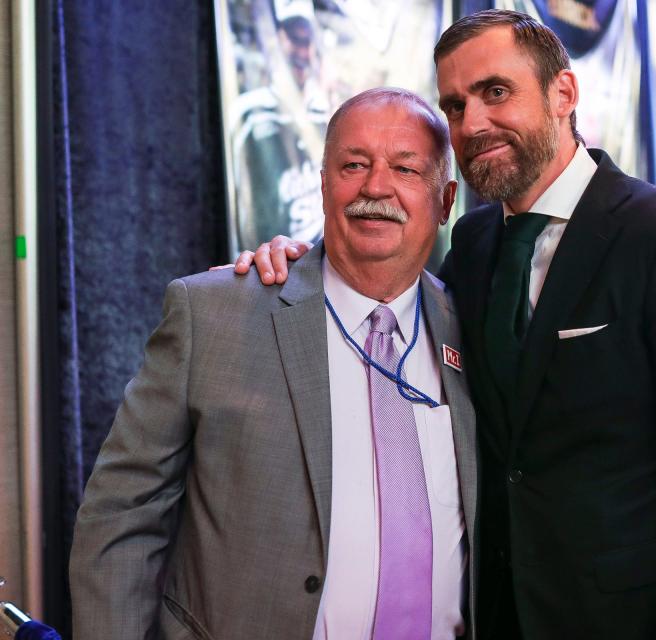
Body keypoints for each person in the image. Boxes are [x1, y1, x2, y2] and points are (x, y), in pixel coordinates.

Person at [239, 10, 656, 638]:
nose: (472, 124)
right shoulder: (472, 244)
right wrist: (292, 262)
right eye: (454, 104)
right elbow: (376, 286)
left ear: (564, 94)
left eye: (495, 92)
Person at [70, 89, 476, 639]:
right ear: (324, 182)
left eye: (405, 169)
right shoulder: (216, 313)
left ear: (446, 198)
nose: (376, 187)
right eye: (354, 165)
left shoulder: (473, 329)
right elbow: (122, 515)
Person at [230, 0, 330, 250]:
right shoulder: (251, 116)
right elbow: (244, 218)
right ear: (276, 39)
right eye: (295, 39)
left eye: (307, 42)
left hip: (321, 270)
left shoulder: (325, 116)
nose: (302, 52)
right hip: (270, 270)